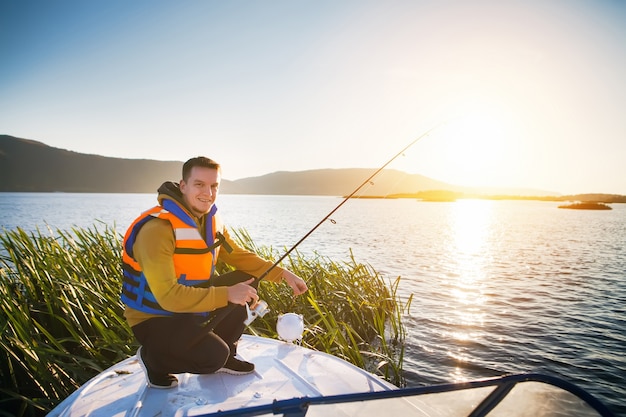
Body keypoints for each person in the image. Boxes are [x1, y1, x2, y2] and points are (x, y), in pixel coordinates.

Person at [121, 156, 308, 389]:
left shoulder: (210, 221)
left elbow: (238, 255)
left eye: (214, 186)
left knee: (245, 279)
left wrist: (283, 274)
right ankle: (154, 360)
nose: (208, 193)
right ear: (183, 186)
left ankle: (227, 353)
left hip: (189, 307)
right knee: (212, 356)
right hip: (155, 318)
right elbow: (168, 296)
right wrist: (227, 294)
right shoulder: (157, 229)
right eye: (199, 184)